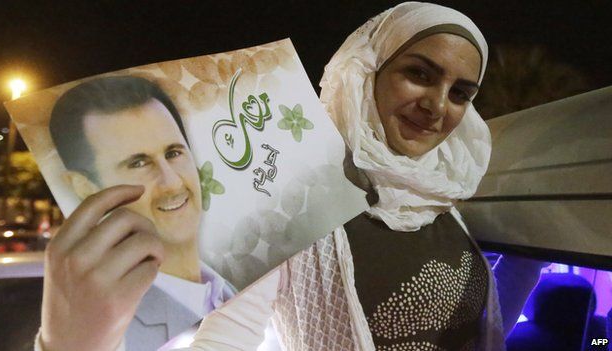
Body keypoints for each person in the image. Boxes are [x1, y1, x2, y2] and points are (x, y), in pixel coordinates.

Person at [188, 2, 544, 350]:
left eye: (459, 93)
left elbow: (471, 331)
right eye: (420, 74)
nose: (436, 106)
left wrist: (525, 268)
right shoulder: (293, 197)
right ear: (367, 69)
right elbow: (225, 338)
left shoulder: (442, 197)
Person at [37, 76, 236, 351]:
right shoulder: (106, 330)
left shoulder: (229, 286)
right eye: (139, 163)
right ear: (85, 187)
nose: (172, 183)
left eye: (173, 153)